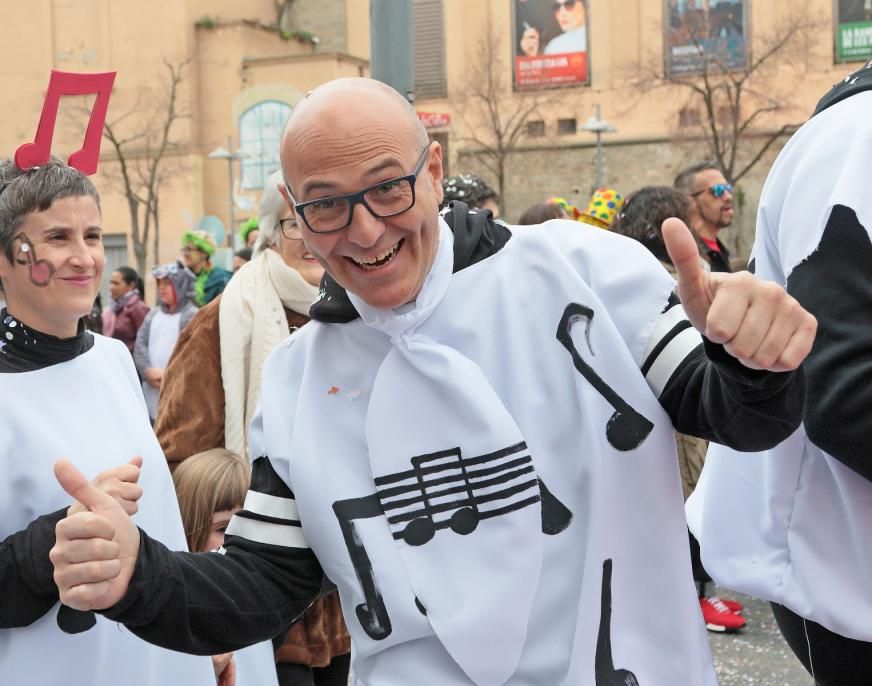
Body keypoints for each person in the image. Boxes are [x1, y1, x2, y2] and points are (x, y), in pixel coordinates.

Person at [50, 77, 816, 686]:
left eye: (389, 188)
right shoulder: (296, 380)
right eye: (326, 205)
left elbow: (738, 418)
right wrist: (137, 576)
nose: (365, 230)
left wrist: (755, 358)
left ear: (435, 171)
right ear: (295, 213)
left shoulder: (586, 273)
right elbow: (259, 586)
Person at [0, 156, 212, 686]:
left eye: (91, 235)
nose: (84, 257)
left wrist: (199, 641)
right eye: (58, 237)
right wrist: (59, 539)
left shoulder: (113, 360)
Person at [687, 60, 872, 684]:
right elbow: (844, 393)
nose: (724, 201)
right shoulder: (859, 138)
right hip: (847, 581)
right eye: (715, 194)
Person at [155, 170, 351, 684]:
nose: (309, 237)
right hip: (258, 584)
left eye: (325, 216)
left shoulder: (362, 315)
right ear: (269, 231)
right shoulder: (222, 321)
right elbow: (176, 459)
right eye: (294, 222)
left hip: (350, 587)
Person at [612, 186, 746, 633]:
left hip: (679, 409)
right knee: (678, 499)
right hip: (665, 416)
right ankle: (687, 597)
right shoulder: (642, 278)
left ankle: (693, 594)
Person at [173, 449, 280, 686]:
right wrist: (204, 673)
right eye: (223, 529)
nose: (241, 541)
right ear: (189, 527)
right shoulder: (174, 617)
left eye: (252, 526)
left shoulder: (259, 600)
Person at [133, 263, 197, 422]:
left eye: (167, 283)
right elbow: (140, 343)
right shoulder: (153, 314)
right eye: (159, 283)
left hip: (180, 391)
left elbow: (193, 353)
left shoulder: (193, 315)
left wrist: (169, 374)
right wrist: (148, 371)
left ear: (181, 285)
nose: (161, 288)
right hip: (151, 390)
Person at [674, 161, 735, 272]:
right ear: (689, 200)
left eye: (728, 189)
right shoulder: (685, 256)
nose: (728, 197)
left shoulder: (723, 253)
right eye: (718, 190)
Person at [103, 266, 149, 353]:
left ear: (131, 286)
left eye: (116, 283)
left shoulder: (138, 308)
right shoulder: (112, 309)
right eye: (111, 283)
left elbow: (144, 341)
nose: (111, 288)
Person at [181, 229, 232, 306]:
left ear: (204, 253)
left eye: (189, 249)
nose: (185, 254)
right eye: (184, 250)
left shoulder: (221, 278)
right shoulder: (182, 277)